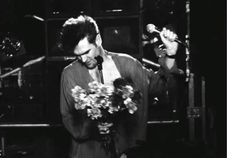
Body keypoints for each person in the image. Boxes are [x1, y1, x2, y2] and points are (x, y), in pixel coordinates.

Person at [59, 15, 179, 158]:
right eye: (77, 55)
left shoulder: (128, 64)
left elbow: (161, 86)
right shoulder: (69, 74)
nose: (83, 59)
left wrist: (170, 55)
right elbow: (68, 117)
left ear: (98, 40)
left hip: (125, 152)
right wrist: (97, 128)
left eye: (86, 52)